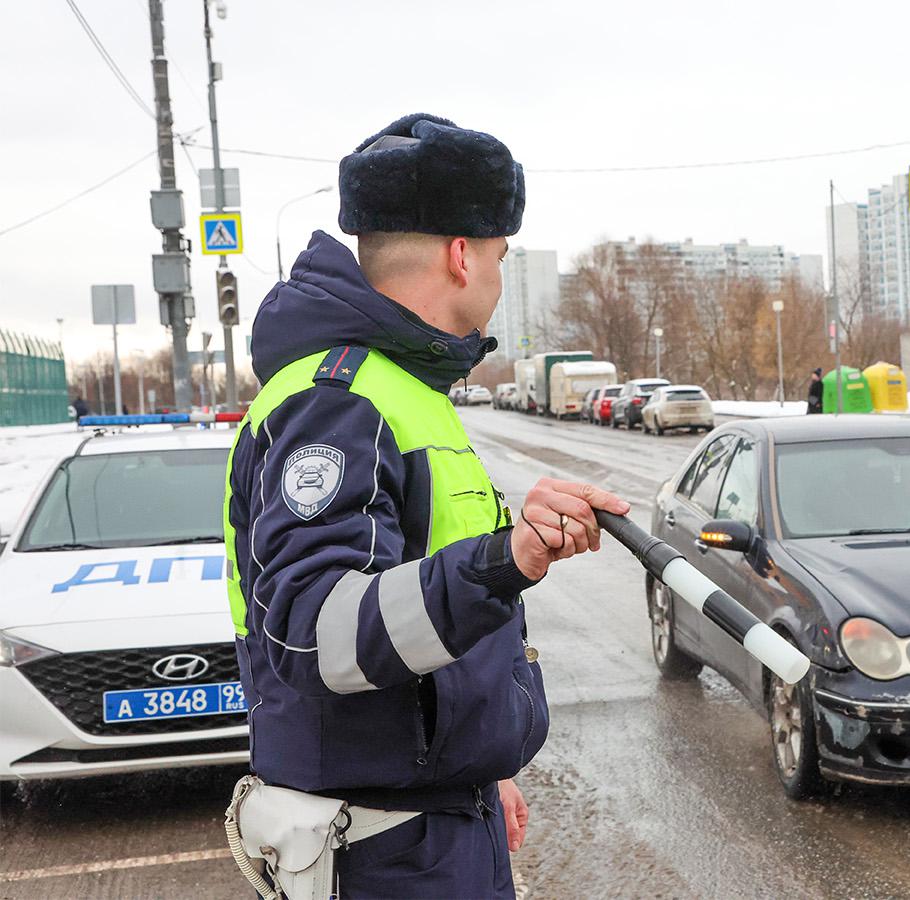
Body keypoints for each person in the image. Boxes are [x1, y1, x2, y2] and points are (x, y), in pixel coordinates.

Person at [223, 113, 629, 898]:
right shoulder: (336, 401)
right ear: (461, 254)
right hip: (383, 851)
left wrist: (483, 767)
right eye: (502, 256)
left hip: (430, 823)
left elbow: (417, 613)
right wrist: (504, 558)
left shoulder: (405, 393)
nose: (500, 276)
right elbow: (317, 634)